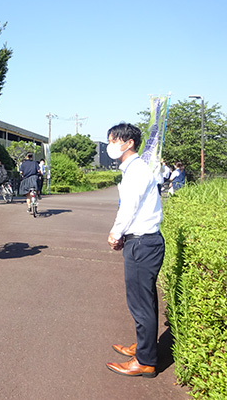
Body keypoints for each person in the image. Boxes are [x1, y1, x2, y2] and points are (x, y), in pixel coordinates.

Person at [105, 123, 164, 378]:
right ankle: (143, 347)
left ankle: (145, 361)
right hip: (144, 242)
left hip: (141, 243)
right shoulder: (134, 169)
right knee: (145, 301)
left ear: (128, 143)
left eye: (113, 140)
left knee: (140, 304)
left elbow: (128, 208)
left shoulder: (136, 171)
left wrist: (115, 234)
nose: (110, 145)